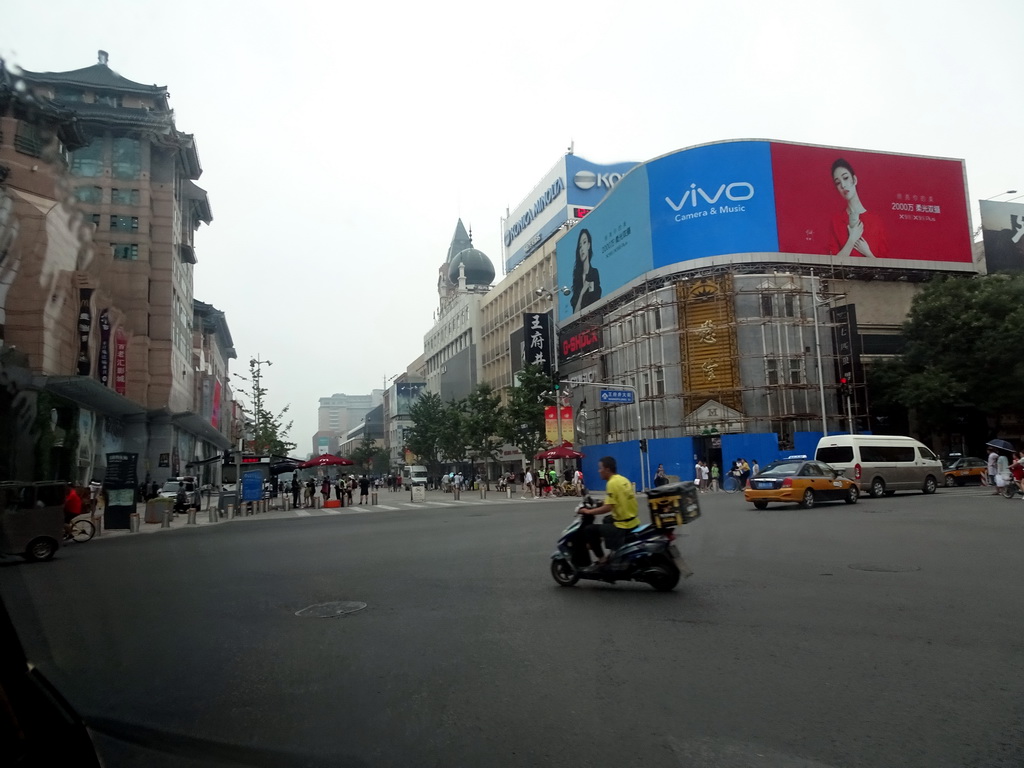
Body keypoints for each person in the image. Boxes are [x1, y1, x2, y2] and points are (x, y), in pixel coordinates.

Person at [579, 456, 640, 566]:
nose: (599, 471)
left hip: (623, 525)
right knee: (607, 520)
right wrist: (599, 502)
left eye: (600, 468)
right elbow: (617, 499)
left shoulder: (611, 483)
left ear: (607, 469)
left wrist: (588, 512)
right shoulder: (622, 479)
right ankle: (614, 551)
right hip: (633, 520)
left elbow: (608, 507)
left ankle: (602, 560)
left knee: (589, 530)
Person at [829, 158, 889, 260]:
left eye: (846, 178)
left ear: (854, 180)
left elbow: (886, 266)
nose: (843, 185)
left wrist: (867, 253)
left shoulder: (876, 221)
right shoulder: (836, 221)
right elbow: (832, 263)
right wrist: (852, 239)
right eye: (838, 183)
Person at [569, 228, 601, 314]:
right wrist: (582, 293)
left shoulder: (594, 273)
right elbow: (575, 313)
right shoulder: (577, 278)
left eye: (584, 243)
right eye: (580, 246)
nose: (582, 249)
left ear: (589, 245)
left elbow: (596, 301)